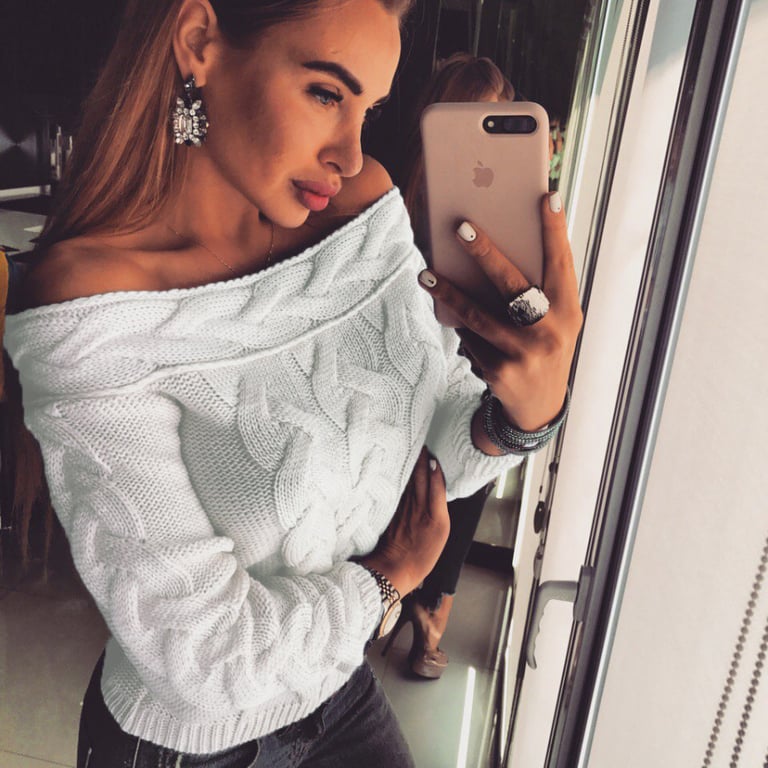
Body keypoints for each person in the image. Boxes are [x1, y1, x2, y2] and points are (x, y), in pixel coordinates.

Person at [3, 1, 581, 766]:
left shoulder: (364, 211)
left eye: (369, 111)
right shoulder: (89, 309)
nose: (351, 153)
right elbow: (203, 655)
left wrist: (523, 414)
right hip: (191, 745)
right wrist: (388, 582)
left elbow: (428, 450)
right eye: (325, 93)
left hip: (337, 686)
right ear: (199, 42)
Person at [384, 53, 519, 680]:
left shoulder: (484, 200)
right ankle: (426, 608)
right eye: (475, 118)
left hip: (468, 351)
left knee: (476, 454)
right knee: (454, 462)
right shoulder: (392, 197)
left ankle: (428, 603)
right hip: (422, 350)